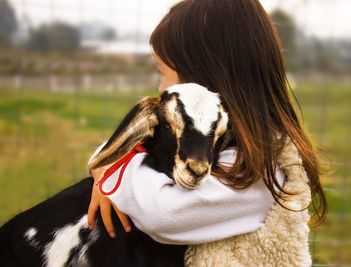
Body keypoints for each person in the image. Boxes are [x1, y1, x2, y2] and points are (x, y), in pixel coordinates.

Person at [88, 0, 327, 264]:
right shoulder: (231, 148)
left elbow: (164, 215)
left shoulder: (258, 173)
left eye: (163, 74)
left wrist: (112, 176)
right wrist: (109, 162)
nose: (160, 89)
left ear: (204, 83)